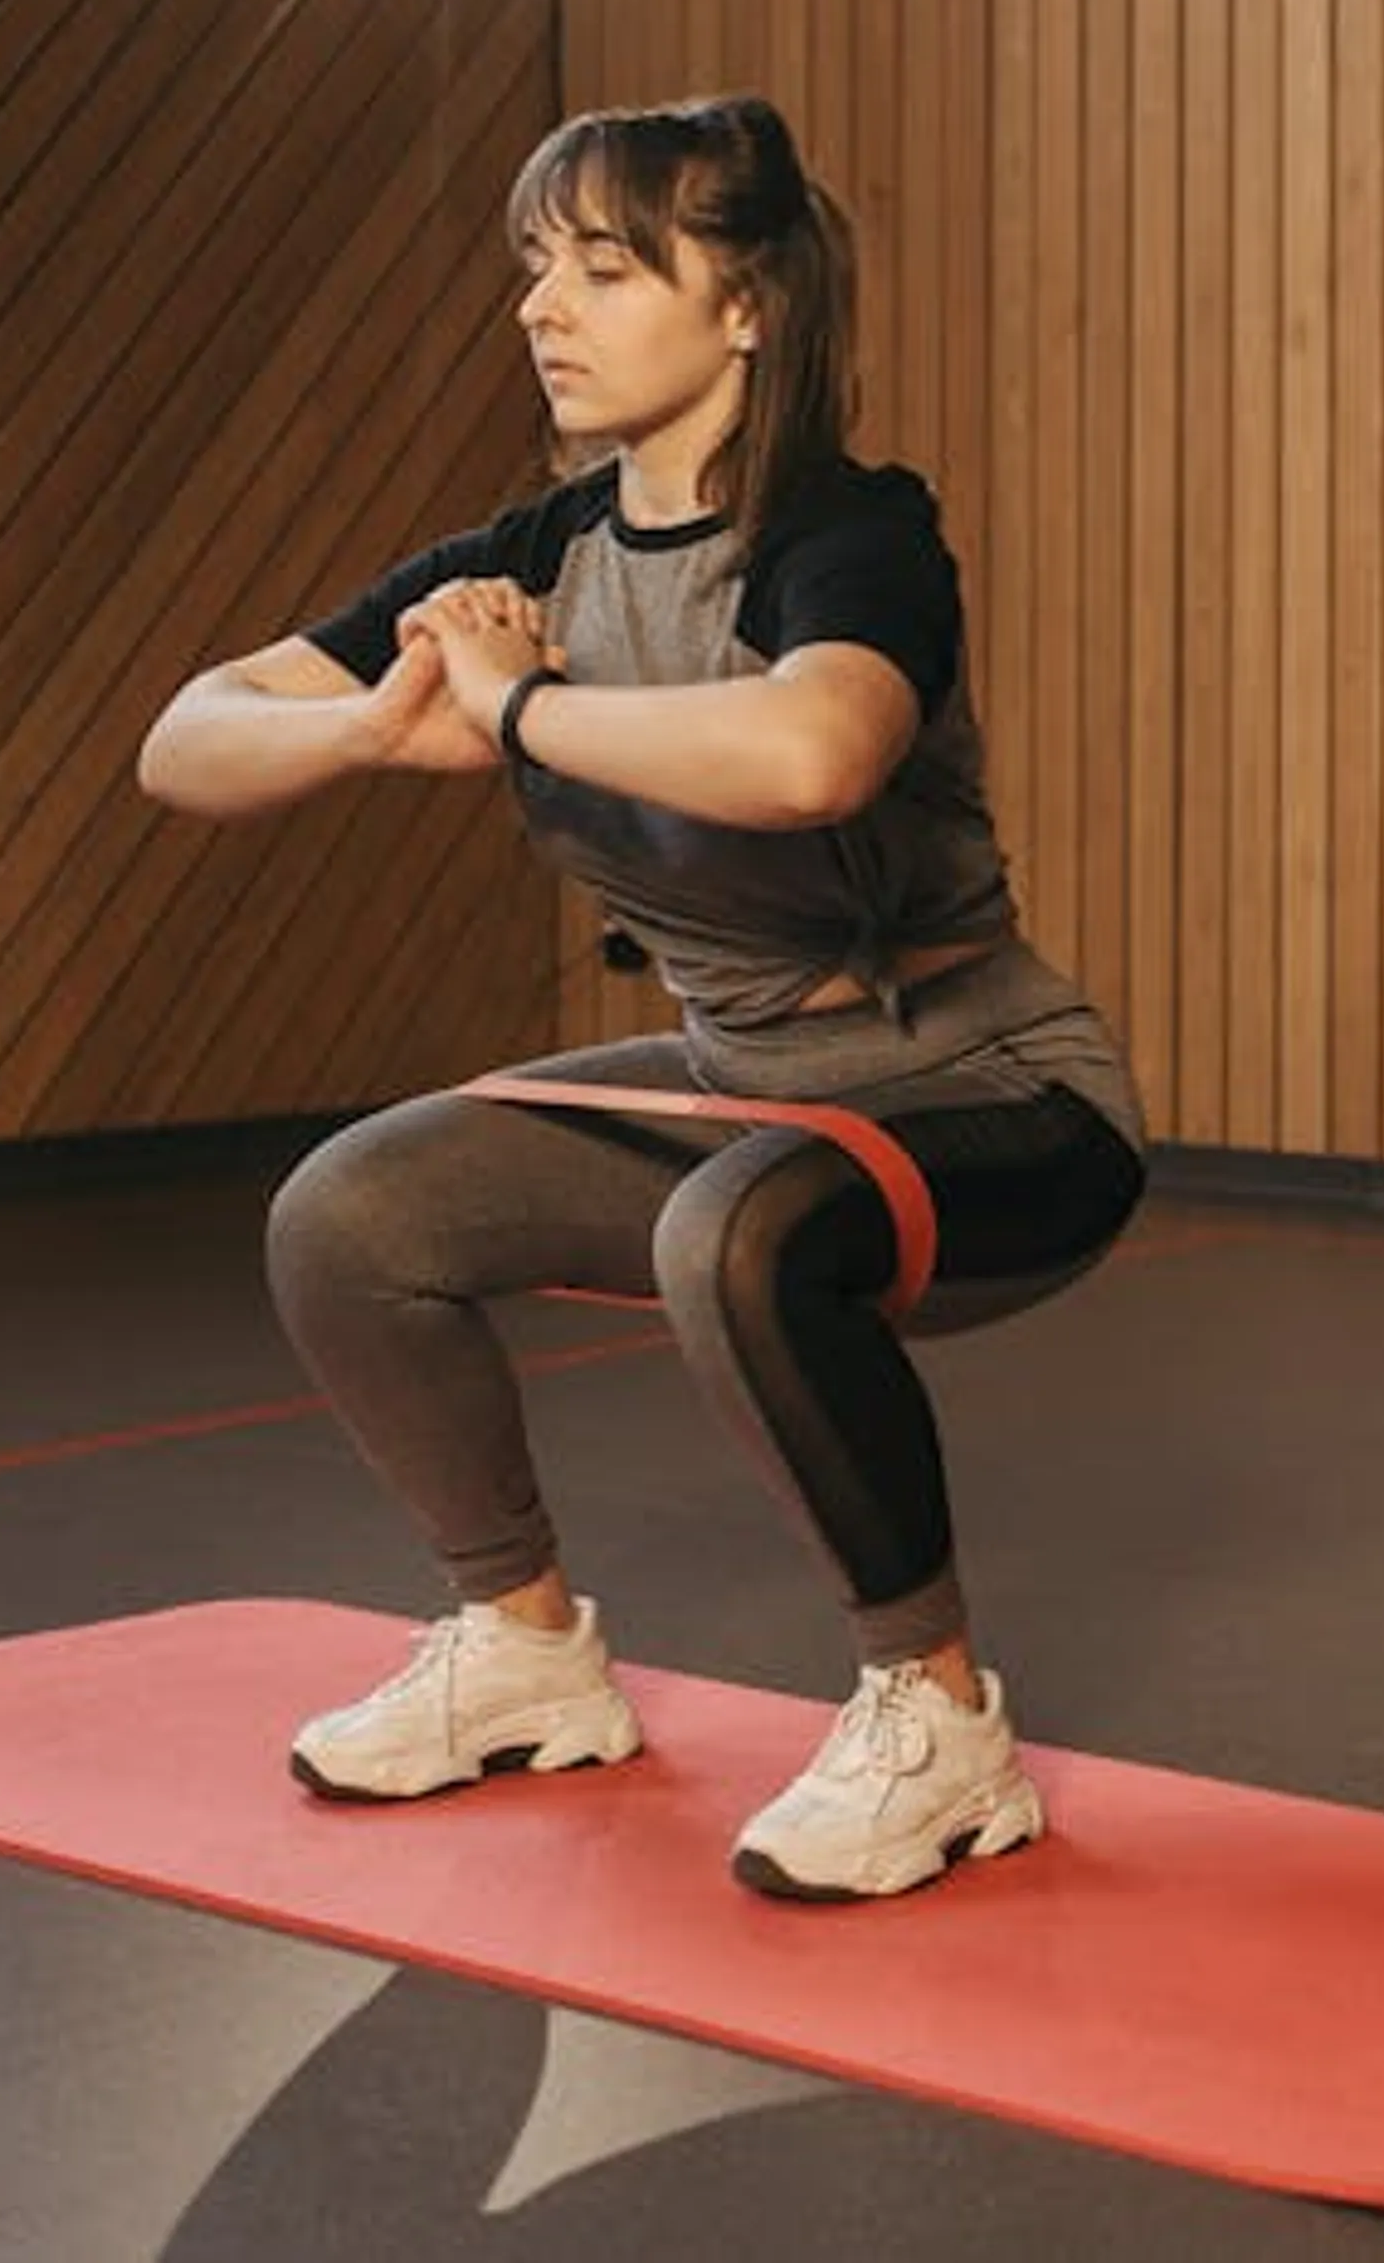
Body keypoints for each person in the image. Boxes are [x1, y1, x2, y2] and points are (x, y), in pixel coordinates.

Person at [135, 93, 1144, 1904]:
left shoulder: (851, 530)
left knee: (732, 1230)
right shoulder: (534, 559)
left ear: (743, 304)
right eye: (536, 268)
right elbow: (185, 740)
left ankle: (940, 1722)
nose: (542, 306)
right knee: (351, 1215)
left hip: (994, 1093)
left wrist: (519, 711)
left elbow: (813, 751)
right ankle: (522, 1647)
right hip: (744, 1076)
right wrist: (367, 727)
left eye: (603, 268)